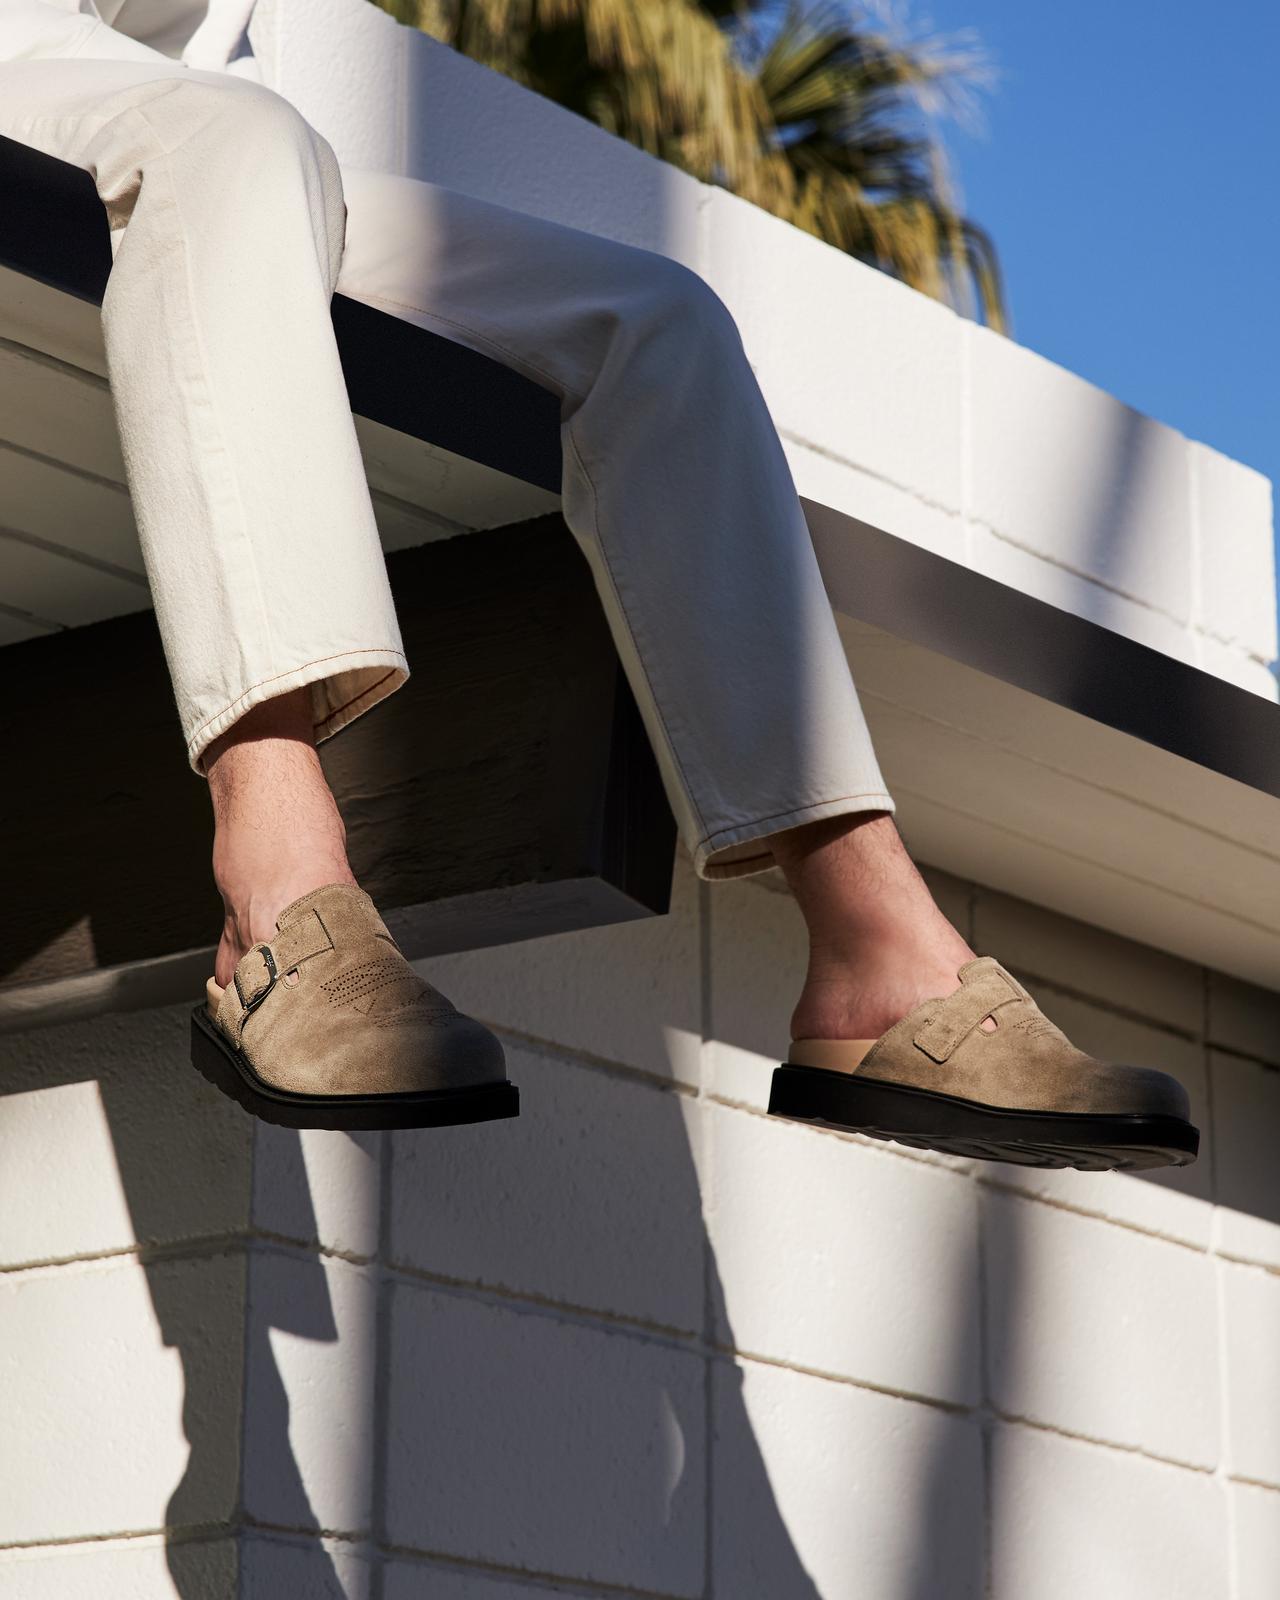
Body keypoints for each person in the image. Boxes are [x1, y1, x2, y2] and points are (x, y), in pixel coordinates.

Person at [0, 0, 1199, 1169]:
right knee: (241, 142)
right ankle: (279, 888)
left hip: (223, 138)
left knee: (656, 323)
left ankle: (877, 951)